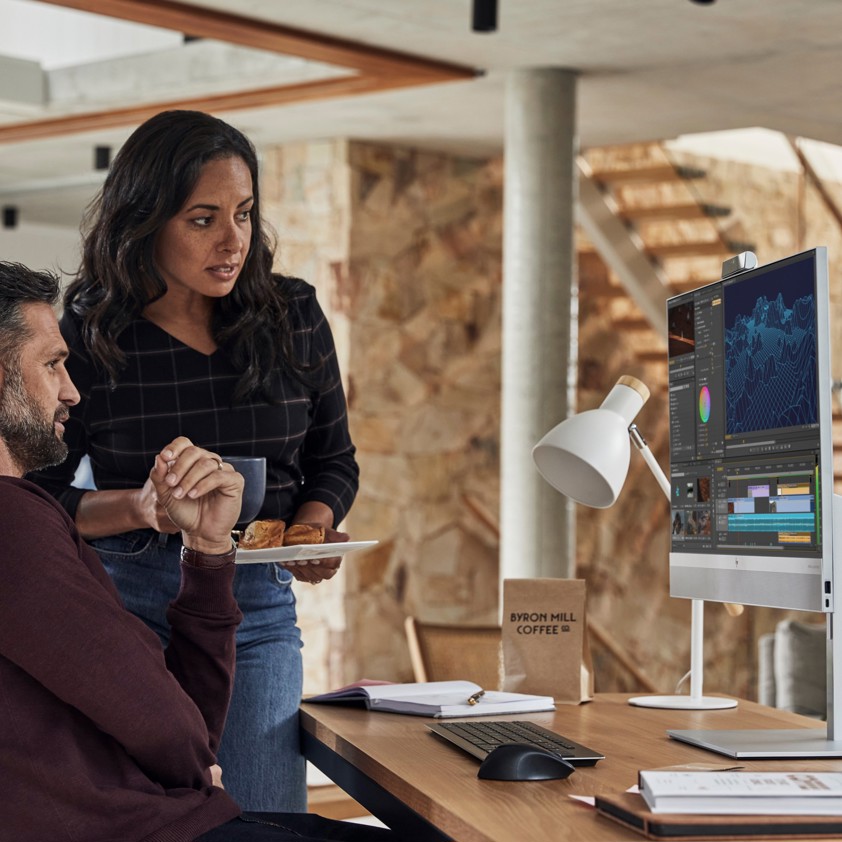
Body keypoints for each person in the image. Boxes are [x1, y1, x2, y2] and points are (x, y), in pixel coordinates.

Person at [29, 109, 360, 812]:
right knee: (146, 818)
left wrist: (308, 530)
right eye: (203, 219)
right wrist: (141, 507)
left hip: (256, 606)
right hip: (126, 609)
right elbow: (40, 498)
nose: (233, 241)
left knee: (263, 817)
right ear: (145, 221)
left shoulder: (294, 314)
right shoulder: (88, 336)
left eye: (244, 213)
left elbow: (334, 459)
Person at [0, 262, 394, 841]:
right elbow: (174, 731)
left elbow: (184, 727)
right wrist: (190, 765)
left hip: (162, 814)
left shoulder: (23, 520)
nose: (72, 391)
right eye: (53, 364)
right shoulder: (14, 522)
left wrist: (209, 547)